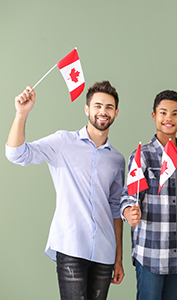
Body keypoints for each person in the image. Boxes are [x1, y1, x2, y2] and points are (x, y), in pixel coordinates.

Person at [5, 81, 125, 300]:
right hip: (71, 246)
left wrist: (118, 258)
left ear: (116, 112)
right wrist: (21, 114)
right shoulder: (63, 141)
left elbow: (115, 208)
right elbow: (17, 154)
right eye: (97, 106)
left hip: (105, 252)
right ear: (87, 109)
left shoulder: (117, 160)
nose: (103, 111)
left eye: (108, 107)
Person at [120, 90, 177, 300]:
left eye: (175, 113)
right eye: (163, 112)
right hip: (150, 255)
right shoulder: (142, 156)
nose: (169, 118)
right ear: (154, 115)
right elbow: (128, 195)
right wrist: (129, 211)